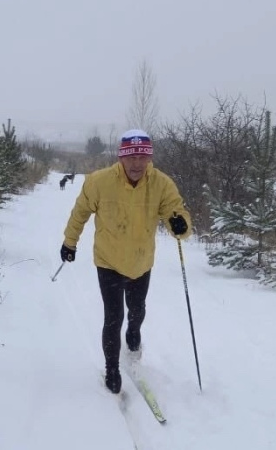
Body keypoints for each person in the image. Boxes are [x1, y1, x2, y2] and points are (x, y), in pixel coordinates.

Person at [60, 129, 192, 394]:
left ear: (149, 158)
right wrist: (69, 242)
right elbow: (80, 213)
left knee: (137, 310)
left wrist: (180, 224)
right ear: (121, 157)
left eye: (142, 157)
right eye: (131, 156)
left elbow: (175, 212)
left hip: (141, 261)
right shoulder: (99, 182)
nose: (136, 164)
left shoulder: (161, 184)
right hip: (108, 260)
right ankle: (111, 368)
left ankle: (134, 332)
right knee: (113, 317)